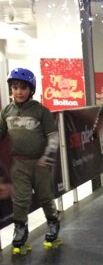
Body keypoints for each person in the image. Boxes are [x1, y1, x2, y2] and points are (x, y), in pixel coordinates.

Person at [0, 68, 60, 253]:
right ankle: (20, 230)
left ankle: (52, 223)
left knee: (45, 196)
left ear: (31, 89)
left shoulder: (41, 111)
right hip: (18, 163)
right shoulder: (7, 111)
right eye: (15, 87)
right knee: (20, 199)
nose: (18, 92)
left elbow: (53, 136)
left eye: (23, 88)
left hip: (40, 163)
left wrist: (48, 156)